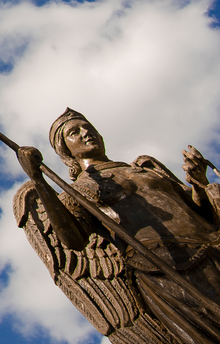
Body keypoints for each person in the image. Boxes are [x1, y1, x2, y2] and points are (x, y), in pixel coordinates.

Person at [18, 108, 220, 343]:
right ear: (66, 151)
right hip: (168, 269)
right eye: (74, 132)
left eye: (88, 128)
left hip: (212, 248)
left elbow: (200, 212)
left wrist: (198, 183)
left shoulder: (146, 168)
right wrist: (39, 181)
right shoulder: (79, 191)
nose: (85, 133)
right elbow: (73, 239)